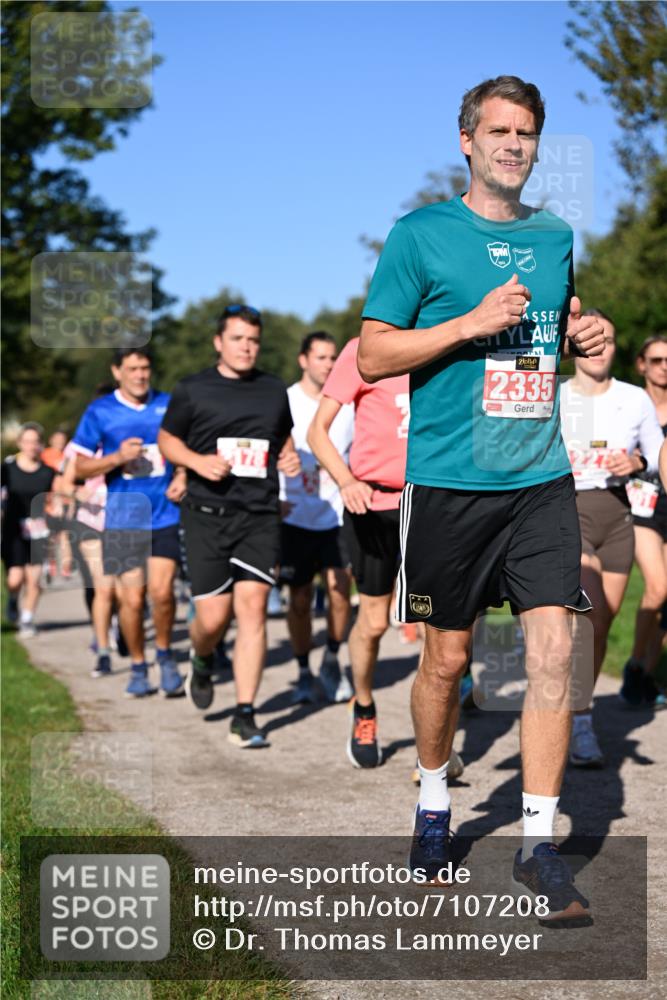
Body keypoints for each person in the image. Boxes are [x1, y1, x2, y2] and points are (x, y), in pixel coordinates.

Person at [357, 75, 605, 921]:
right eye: (496, 130)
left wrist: (587, 332)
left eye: (525, 133)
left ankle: (537, 847)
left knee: (548, 656)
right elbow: (373, 356)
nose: (511, 144)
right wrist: (465, 323)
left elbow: (550, 334)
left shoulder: (554, 235)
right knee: (446, 662)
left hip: (537, 477)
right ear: (465, 140)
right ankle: (432, 802)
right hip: (448, 484)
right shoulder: (419, 234)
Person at [158, 304, 300, 748]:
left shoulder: (274, 390)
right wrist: (197, 461)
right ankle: (201, 659)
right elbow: (167, 439)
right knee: (213, 618)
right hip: (206, 516)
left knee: (254, 609)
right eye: (238, 338)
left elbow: (283, 437)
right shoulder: (192, 389)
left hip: (258, 516)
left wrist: (289, 456)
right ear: (219, 342)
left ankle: (245, 712)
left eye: (253, 340)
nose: (247, 347)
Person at [560, 310, 663, 764]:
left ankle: (576, 707)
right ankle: (580, 722)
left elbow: (658, 458)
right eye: (590, 337)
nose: (600, 346)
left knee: (602, 624)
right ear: (574, 345)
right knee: (589, 615)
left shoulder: (634, 398)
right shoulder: (555, 395)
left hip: (619, 516)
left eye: (609, 338)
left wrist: (638, 463)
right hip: (570, 511)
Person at [308, 336, 410, 767]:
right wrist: (347, 480)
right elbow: (317, 432)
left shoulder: (450, 341)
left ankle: (437, 739)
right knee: (372, 623)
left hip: (429, 505)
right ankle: (364, 707)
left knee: (441, 627)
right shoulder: (363, 349)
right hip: (373, 505)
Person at [71, 348, 185, 697]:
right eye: (132, 369)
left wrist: (182, 474)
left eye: (145, 368)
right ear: (117, 371)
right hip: (122, 519)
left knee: (163, 594)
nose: (140, 375)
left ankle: (164, 655)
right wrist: (117, 457)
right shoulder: (100, 411)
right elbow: (78, 467)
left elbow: (186, 448)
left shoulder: (169, 404)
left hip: (165, 514)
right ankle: (138, 665)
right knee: (132, 601)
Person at [280, 331, 355, 704]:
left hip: (337, 513)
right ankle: (302, 671)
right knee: (299, 598)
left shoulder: (347, 403)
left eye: (332, 358)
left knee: (341, 590)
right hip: (294, 513)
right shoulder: (286, 402)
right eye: (321, 357)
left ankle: (332, 657)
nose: (328, 364)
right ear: (303, 360)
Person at [620, 335, 667, 706]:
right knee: (659, 586)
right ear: (641, 365)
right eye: (656, 360)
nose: (664, 366)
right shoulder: (630, 405)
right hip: (640, 510)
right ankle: (635, 665)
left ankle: (647, 673)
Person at [2, 423, 55, 637]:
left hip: (38, 530)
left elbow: (58, 495)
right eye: (27, 441)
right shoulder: (7, 469)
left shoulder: (47, 472)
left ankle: (27, 619)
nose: (32, 446)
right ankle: (13, 599)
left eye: (36, 442)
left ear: (41, 445)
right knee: (15, 579)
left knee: (34, 579)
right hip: (12, 528)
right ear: (20, 443)